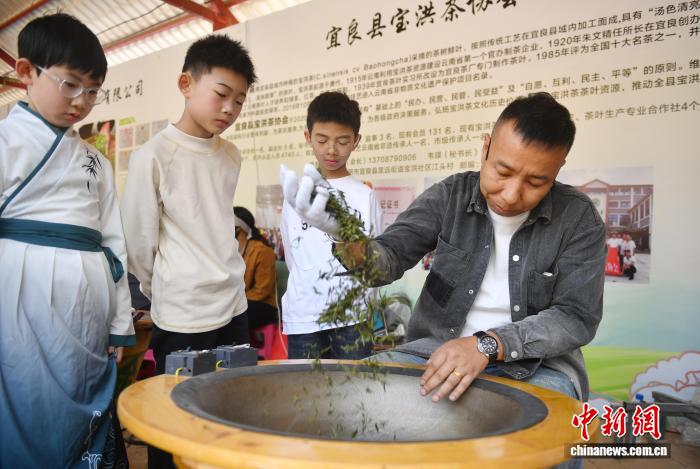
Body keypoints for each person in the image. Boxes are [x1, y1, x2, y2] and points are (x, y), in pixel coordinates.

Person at [282, 92, 606, 406]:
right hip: (433, 351)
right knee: (352, 398)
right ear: (485, 147)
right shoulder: (452, 196)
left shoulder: (578, 218)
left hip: (537, 366)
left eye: (535, 182)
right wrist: (347, 238)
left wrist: (486, 345)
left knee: (539, 432)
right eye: (502, 172)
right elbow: (388, 260)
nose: (510, 195)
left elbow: (575, 317)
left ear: (558, 168)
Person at [0, 13, 135, 468]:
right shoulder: (4, 142)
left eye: (93, 91)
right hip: (18, 301)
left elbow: (114, 244)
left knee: (82, 393)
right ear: (26, 72)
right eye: (70, 85)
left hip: (87, 310)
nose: (82, 101)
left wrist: (119, 321)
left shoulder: (96, 162)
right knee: (25, 397)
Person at [120, 34, 256, 468]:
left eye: (239, 101)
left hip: (233, 305)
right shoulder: (154, 156)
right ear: (186, 84)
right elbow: (138, 241)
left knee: (230, 412)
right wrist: (162, 288)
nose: (229, 109)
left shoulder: (230, 155)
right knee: (174, 420)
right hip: (182, 312)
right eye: (221, 94)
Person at [279, 91, 382, 360]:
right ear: (308, 137)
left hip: (353, 316)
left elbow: (375, 255)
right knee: (305, 385)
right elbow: (292, 254)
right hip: (304, 315)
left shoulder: (364, 195)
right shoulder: (296, 194)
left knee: (353, 385)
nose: (332, 150)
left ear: (356, 141)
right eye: (322, 140)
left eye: (342, 141)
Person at [234, 206, 278, 332]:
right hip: (241, 302)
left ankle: (238, 344)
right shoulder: (229, 251)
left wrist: (235, 301)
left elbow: (262, 290)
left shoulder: (262, 251)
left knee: (232, 315)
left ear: (238, 228)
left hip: (263, 305)